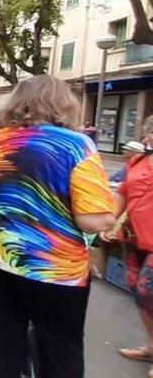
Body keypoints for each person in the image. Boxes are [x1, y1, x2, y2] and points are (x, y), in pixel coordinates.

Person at [0, 75, 115, 378]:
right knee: (60, 350)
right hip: (53, 267)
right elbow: (91, 219)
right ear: (64, 104)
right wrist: (110, 220)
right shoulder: (77, 145)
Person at [103, 116, 153, 373]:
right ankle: (151, 346)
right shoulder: (139, 161)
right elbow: (123, 192)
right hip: (135, 236)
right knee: (137, 289)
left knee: (148, 289)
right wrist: (111, 223)